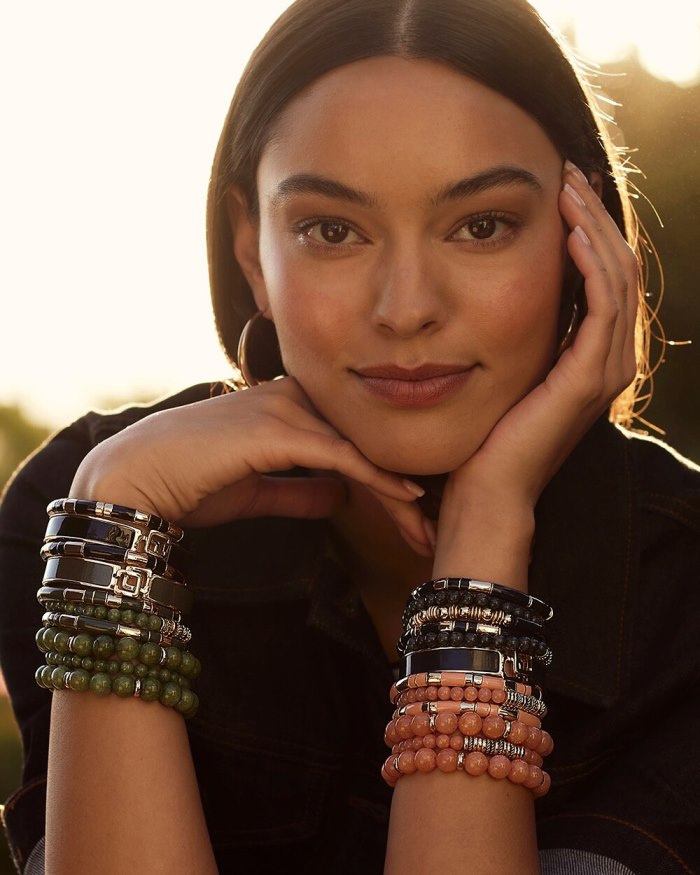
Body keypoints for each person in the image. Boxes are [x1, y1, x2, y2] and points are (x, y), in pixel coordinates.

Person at [0, 0, 698, 873]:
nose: (406, 307)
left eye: (481, 225)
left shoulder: (685, 591)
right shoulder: (85, 505)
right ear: (253, 249)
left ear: (580, 238)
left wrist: (485, 534)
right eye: (332, 230)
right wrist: (116, 517)